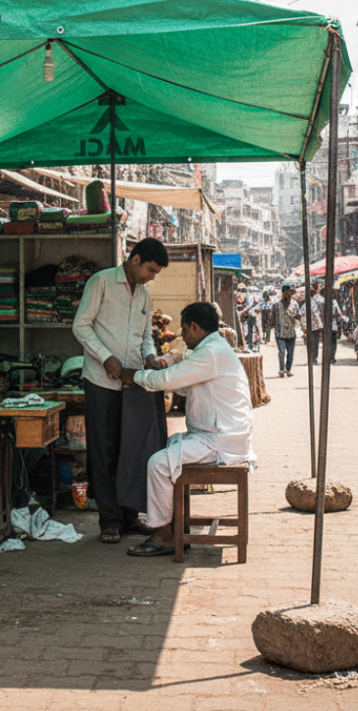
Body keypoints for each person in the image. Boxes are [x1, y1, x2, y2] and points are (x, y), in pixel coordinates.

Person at [119, 301, 256, 557]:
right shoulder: (213, 349)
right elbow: (183, 384)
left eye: (184, 329)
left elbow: (169, 380)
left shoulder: (210, 353)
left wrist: (135, 376)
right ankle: (175, 526)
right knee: (169, 447)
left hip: (220, 440)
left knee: (158, 464)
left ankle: (164, 534)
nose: (182, 335)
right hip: (219, 435)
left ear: (194, 326)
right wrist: (164, 370)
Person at [72, 237, 169, 544]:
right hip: (100, 382)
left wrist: (150, 355)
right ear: (135, 259)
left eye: (155, 273)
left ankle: (130, 516)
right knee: (104, 451)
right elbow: (80, 326)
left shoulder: (144, 294)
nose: (151, 277)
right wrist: (105, 357)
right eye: (150, 270)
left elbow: (145, 335)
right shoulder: (101, 282)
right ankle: (110, 521)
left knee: (132, 449)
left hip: (133, 382)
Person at [269, 284, 300, 377]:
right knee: (282, 352)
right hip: (280, 332)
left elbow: (298, 316)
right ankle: (282, 370)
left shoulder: (295, 304)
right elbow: (272, 318)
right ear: (283, 293)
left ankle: (288, 370)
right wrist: (270, 327)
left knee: (290, 353)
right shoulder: (276, 305)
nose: (287, 294)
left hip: (291, 332)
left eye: (289, 293)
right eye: (286, 292)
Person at [300, 282, 325, 365]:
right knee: (314, 343)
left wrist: (303, 326)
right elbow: (316, 314)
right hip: (314, 326)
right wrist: (320, 324)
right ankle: (313, 358)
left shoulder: (309, 303)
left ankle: (312, 358)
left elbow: (302, 315)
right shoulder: (313, 302)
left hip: (311, 326)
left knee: (311, 343)